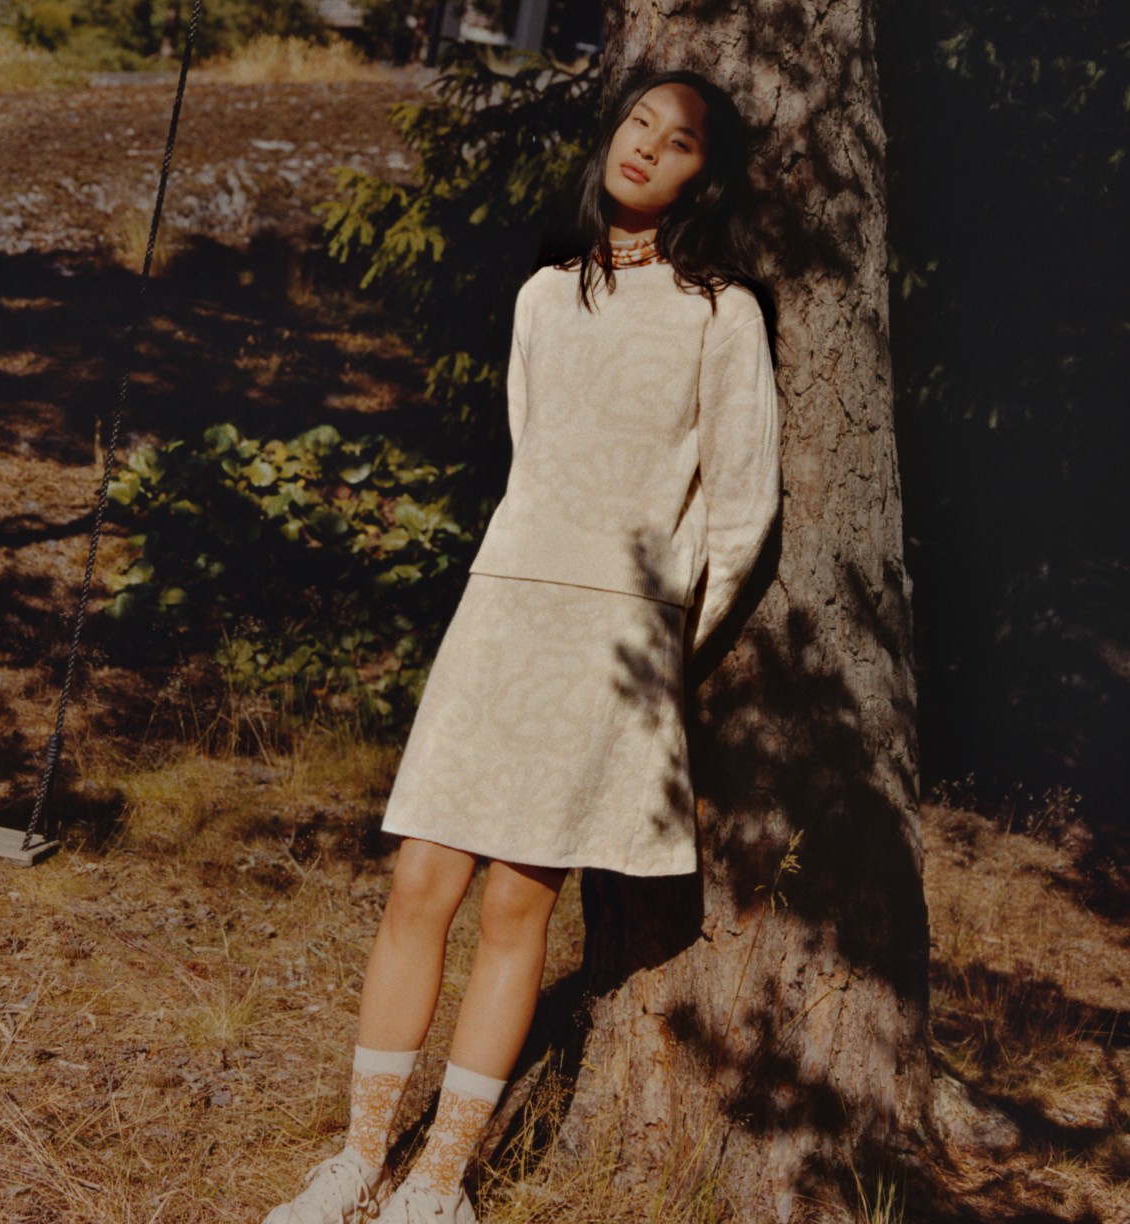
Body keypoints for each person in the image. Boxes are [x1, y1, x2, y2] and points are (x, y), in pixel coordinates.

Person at [264, 66, 782, 1224]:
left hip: (613, 637)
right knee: (418, 885)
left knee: (515, 905)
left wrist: (662, 649)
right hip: (502, 607)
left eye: (680, 141)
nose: (646, 148)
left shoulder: (721, 314)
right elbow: (528, 456)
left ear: (708, 175)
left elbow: (742, 511)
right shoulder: (547, 296)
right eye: (637, 123)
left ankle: (437, 1184)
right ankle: (355, 1164)